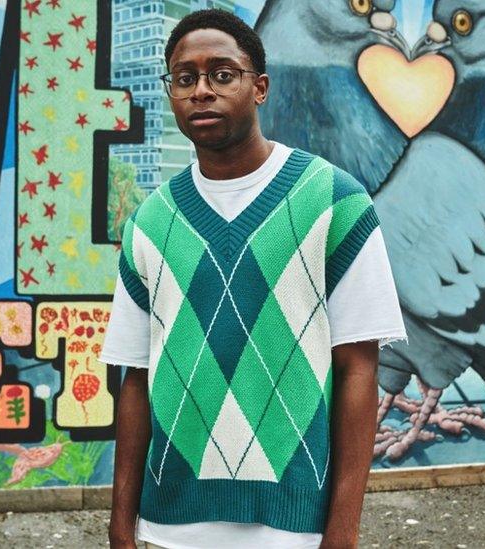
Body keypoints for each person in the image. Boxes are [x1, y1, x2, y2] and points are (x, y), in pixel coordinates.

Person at [102, 9, 406, 549]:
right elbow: (134, 380)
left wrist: (343, 529)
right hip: (172, 522)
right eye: (184, 77)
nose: (201, 90)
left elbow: (359, 369)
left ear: (259, 87)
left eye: (222, 74)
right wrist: (122, 525)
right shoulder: (148, 222)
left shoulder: (335, 202)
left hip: (294, 523)